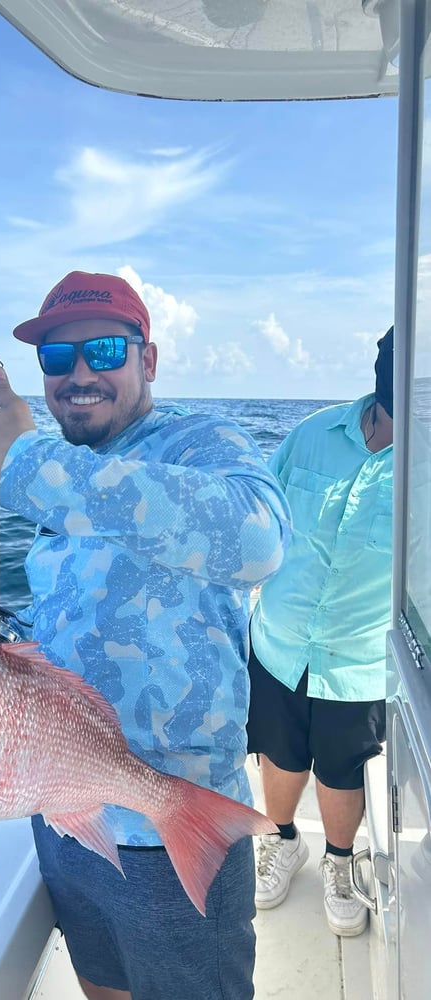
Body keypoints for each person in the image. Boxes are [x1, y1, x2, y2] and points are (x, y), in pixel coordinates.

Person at [0, 270, 291, 1000]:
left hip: (174, 826)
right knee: (100, 986)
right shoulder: (66, 469)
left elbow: (257, 538)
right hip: (64, 813)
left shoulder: (197, 442)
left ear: (149, 359)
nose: (79, 375)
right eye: (56, 358)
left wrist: (24, 463)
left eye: (104, 350)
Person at [246, 326, 393, 938]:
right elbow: (260, 519)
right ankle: (282, 842)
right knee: (278, 753)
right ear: (382, 362)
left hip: (360, 657)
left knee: (342, 769)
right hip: (279, 641)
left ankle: (338, 860)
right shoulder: (313, 432)